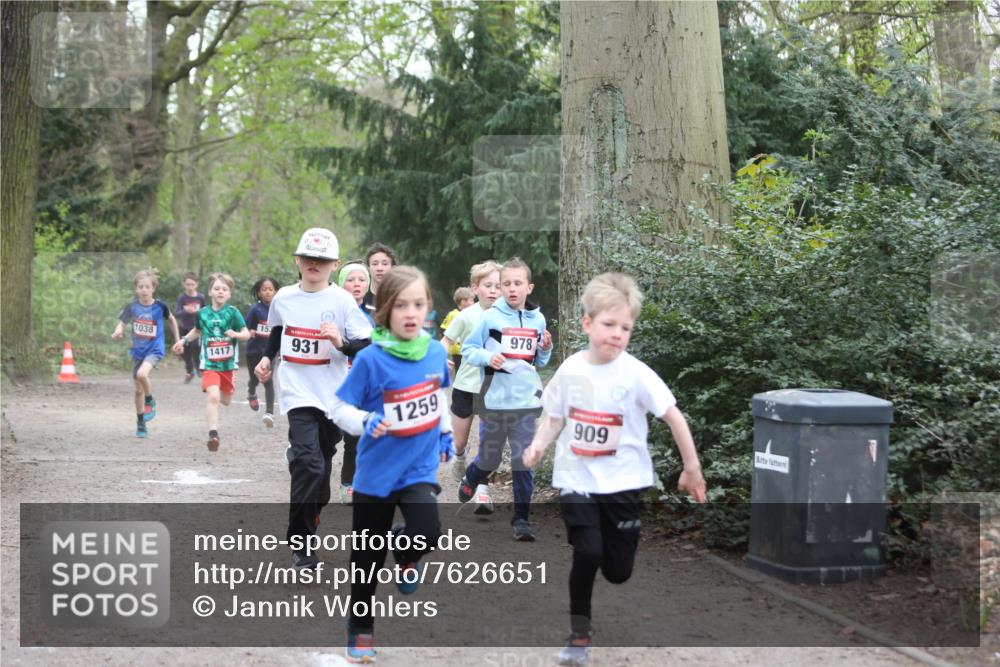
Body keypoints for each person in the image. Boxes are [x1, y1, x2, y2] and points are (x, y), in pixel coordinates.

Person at [522, 272, 708, 666]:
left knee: (618, 571)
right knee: (586, 553)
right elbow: (554, 417)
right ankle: (579, 635)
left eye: (626, 327)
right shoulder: (571, 370)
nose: (617, 334)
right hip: (577, 480)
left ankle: (611, 553)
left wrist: (691, 468)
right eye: (609, 324)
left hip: (624, 482)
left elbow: (674, 417)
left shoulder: (636, 373)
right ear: (588, 323)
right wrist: (539, 444)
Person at [329, 265, 453, 664]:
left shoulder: (434, 352)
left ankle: (406, 553)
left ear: (428, 308)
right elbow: (338, 407)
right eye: (401, 305)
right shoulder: (371, 359)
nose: (410, 313)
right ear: (385, 310)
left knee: (428, 532)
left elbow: (440, 397)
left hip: (417, 468)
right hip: (375, 474)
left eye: (418, 304)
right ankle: (360, 629)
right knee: (366, 560)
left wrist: (446, 432)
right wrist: (364, 421)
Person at [254, 228, 373, 569]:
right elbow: (278, 331)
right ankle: (302, 546)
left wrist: (340, 343)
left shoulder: (342, 302)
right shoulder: (284, 298)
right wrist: (267, 358)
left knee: (320, 473)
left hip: (333, 395)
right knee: (309, 463)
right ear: (298, 260)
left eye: (321, 260)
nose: (314, 264)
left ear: (334, 264)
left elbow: (364, 345)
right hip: (296, 391)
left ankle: (312, 507)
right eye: (308, 258)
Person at [458, 257, 552, 541]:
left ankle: (521, 519)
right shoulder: (489, 317)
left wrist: (546, 347)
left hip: (526, 399)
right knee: (490, 458)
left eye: (517, 283)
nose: (512, 289)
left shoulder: (538, 319)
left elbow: (539, 360)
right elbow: (468, 350)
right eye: (506, 284)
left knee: (524, 458)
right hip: (495, 400)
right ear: (499, 288)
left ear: (529, 287)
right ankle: (473, 478)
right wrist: (489, 357)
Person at [172, 273, 249, 451]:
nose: (220, 292)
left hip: (228, 365)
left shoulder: (233, 313)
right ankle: (213, 435)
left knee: (226, 400)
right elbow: (196, 331)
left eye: (224, 289)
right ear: (209, 292)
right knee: (213, 396)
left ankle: (217, 409)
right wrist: (183, 341)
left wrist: (236, 334)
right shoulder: (203, 314)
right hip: (209, 365)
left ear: (229, 293)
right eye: (216, 288)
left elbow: (246, 333)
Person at [440, 262, 500, 477]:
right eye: (488, 285)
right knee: (459, 441)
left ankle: (479, 478)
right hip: (466, 384)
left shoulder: (508, 315)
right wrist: (439, 358)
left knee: (488, 439)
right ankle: (459, 456)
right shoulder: (465, 316)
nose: (494, 291)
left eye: (498, 286)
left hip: (494, 386)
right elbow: (446, 340)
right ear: (475, 288)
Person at [112, 268, 180, 438]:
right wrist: (118, 331)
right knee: (137, 391)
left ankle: (150, 400)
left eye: (147, 287)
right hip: (138, 351)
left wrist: (178, 340)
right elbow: (122, 322)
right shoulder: (132, 307)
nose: (144, 290)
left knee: (143, 374)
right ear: (136, 288)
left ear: (153, 288)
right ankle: (141, 422)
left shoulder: (160, 306)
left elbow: (171, 320)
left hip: (154, 349)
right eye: (140, 287)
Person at [336, 261, 376, 503]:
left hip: (363, 384)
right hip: (333, 380)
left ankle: (349, 483)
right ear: (342, 284)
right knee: (329, 436)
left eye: (362, 280)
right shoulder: (334, 310)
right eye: (351, 279)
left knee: (356, 436)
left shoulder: (374, 313)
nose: (357, 284)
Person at [244, 277, 280, 428]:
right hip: (253, 351)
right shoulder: (255, 310)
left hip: (269, 352)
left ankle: (269, 413)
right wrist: (251, 331)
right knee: (255, 379)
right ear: (259, 293)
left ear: (276, 292)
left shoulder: (278, 309)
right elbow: (246, 328)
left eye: (270, 289)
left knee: (268, 380)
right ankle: (251, 392)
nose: (267, 292)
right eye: (264, 289)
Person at [174, 272, 206, 383]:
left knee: (196, 347)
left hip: (196, 328)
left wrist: (199, 313)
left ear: (196, 284)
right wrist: (185, 310)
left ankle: (198, 368)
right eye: (187, 284)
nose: (190, 287)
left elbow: (205, 311)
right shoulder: (182, 298)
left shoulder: (200, 297)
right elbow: (176, 313)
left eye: (192, 284)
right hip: (184, 327)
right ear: (184, 285)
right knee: (185, 352)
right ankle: (190, 371)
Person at [440, 286, 475, 377]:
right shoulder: (453, 314)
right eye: (471, 300)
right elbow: (444, 329)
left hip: (469, 348)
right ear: (463, 301)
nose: (473, 302)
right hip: (457, 350)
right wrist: (454, 338)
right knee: (460, 371)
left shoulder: (473, 314)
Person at [362, 242, 397, 319]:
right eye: (375, 264)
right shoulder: (361, 299)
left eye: (385, 264)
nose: (380, 268)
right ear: (368, 268)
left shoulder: (399, 299)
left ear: (393, 268)